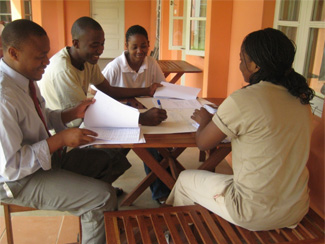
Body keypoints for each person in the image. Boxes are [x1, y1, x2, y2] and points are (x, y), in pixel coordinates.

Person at [166, 28, 315, 231]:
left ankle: (181, 235)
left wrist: (205, 121)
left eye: (241, 59)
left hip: (252, 212)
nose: (239, 65)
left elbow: (203, 142)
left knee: (185, 179)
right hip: (295, 208)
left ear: (254, 65)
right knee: (223, 181)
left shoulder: (244, 99)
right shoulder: (300, 99)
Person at [0, 19, 120, 244]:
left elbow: (41, 115)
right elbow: (12, 165)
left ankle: (91, 227)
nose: (47, 62)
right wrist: (61, 139)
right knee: (102, 197)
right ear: (13, 53)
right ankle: (94, 217)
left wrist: (72, 113)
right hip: (17, 180)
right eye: (40, 56)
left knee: (106, 160)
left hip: (42, 161)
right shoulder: (3, 96)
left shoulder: (25, 77)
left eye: (47, 54)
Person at [39, 16, 166, 128]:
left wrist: (147, 90)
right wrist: (141, 118)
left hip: (80, 123)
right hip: (63, 132)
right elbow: (84, 114)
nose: (100, 50)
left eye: (102, 44)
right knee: (126, 136)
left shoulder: (88, 60)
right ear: (76, 43)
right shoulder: (64, 70)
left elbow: (109, 90)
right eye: (95, 45)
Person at [102, 25, 171, 204]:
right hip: (120, 120)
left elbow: (162, 87)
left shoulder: (151, 63)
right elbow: (98, 95)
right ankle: (101, 188)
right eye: (134, 47)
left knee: (161, 147)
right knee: (115, 155)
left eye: (143, 46)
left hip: (146, 118)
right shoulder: (115, 67)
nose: (140, 51)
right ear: (126, 46)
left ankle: (165, 188)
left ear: (149, 45)